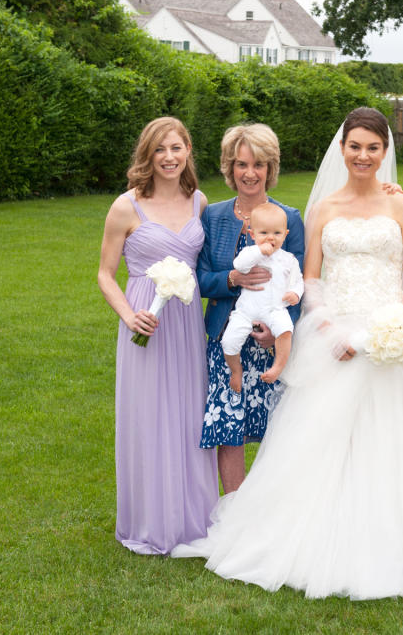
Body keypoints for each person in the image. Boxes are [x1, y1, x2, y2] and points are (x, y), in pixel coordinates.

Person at [172, 107, 403, 601]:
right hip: (332, 339)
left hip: (388, 339)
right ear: (342, 150)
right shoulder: (323, 209)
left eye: (373, 148)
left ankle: (398, 540)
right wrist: (329, 327)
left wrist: (388, 325)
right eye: (355, 146)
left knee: (395, 444)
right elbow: (308, 278)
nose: (363, 155)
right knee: (317, 445)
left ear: (385, 153)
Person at [97, 117, 218, 555]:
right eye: (160, 150)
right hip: (144, 323)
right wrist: (129, 316)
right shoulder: (126, 207)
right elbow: (105, 274)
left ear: (188, 151)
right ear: (147, 155)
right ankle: (149, 521)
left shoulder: (199, 201)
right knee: (148, 416)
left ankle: (193, 517)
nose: (169, 157)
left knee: (189, 416)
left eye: (177, 148)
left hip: (186, 325)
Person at [196, 124, 305, 494]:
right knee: (229, 428)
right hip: (226, 336)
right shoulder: (214, 216)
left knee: (274, 428)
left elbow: (298, 284)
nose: (249, 173)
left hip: (272, 341)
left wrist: (279, 331)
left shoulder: (289, 218)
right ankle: (235, 516)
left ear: (270, 168)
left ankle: (268, 515)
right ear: (230, 167)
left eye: (258, 164)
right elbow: (201, 278)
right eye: (241, 164)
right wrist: (231, 279)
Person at [220, 203, 303, 391]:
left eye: (277, 233)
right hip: (246, 310)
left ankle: (278, 366)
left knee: (285, 330)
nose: (270, 238)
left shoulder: (288, 259)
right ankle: (235, 370)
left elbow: (298, 280)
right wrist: (259, 251)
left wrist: (295, 293)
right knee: (229, 341)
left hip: (275, 308)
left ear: (285, 234)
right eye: (264, 233)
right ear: (252, 234)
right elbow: (239, 266)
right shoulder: (250, 253)